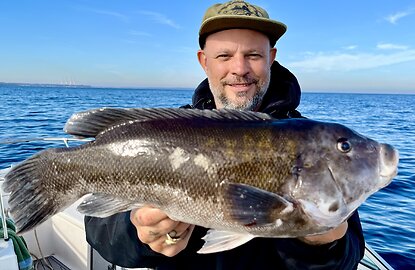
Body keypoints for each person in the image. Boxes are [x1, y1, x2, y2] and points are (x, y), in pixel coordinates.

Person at [85, 1, 365, 269]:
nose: (239, 69)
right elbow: (101, 234)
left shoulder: (312, 144)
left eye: (253, 55)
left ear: (272, 58)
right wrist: (139, 234)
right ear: (204, 61)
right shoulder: (166, 132)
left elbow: (349, 257)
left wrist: (321, 244)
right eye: (224, 56)